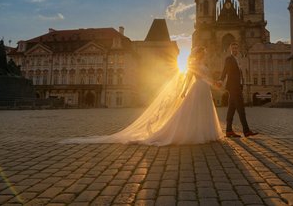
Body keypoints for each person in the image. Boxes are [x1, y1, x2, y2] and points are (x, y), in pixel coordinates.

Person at [62, 46, 223, 146]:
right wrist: (183, 91)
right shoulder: (193, 64)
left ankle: (204, 132)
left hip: (203, 89)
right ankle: (194, 133)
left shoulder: (203, 64)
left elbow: (206, 78)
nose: (204, 55)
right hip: (196, 89)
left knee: (203, 112)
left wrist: (214, 84)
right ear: (198, 54)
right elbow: (189, 77)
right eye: (202, 53)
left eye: (204, 53)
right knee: (193, 112)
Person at [217, 41, 258, 138]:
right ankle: (246, 131)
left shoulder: (238, 59)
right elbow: (225, 71)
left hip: (237, 86)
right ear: (230, 50)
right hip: (233, 87)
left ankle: (229, 131)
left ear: (238, 49)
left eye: (236, 48)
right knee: (241, 109)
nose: (235, 50)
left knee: (231, 109)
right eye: (233, 48)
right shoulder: (229, 59)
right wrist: (220, 80)